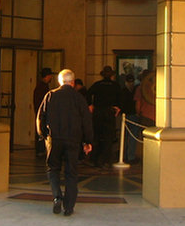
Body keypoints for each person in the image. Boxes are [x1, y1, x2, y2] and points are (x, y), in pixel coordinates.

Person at [36, 69, 93, 216]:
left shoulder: (51, 95)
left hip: (54, 139)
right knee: (71, 173)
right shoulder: (79, 98)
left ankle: (57, 197)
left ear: (60, 82)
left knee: (52, 168)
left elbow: (40, 117)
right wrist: (88, 141)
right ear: (73, 82)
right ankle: (69, 207)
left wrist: (43, 135)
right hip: (73, 140)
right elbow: (86, 120)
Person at [87, 65, 122, 168]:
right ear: (111, 75)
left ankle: (94, 159)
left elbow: (88, 94)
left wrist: (90, 105)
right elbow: (120, 98)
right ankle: (106, 160)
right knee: (108, 137)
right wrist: (117, 108)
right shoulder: (115, 85)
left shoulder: (97, 84)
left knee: (96, 136)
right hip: (109, 112)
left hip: (98, 111)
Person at [33, 67, 54, 157]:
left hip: (41, 113)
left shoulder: (41, 86)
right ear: (47, 76)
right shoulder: (42, 88)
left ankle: (41, 149)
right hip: (42, 114)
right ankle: (41, 149)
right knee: (42, 131)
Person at [120, 73, 139, 163]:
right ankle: (128, 156)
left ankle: (125, 155)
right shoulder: (134, 91)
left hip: (127, 115)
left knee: (126, 137)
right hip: (130, 115)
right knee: (130, 137)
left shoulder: (123, 91)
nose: (131, 84)